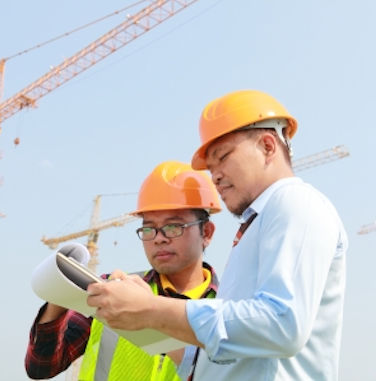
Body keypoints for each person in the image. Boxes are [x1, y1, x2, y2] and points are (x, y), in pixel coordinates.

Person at [86, 90, 348, 381]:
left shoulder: (296, 202)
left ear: (267, 146)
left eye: (222, 157)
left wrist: (153, 308)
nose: (216, 176)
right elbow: (233, 355)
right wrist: (147, 317)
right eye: (211, 168)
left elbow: (281, 324)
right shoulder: (257, 226)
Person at [25, 160, 222, 381]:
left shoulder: (226, 311)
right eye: (148, 229)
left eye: (173, 227)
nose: (159, 238)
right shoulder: (111, 292)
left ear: (207, 232)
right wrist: (61, 294)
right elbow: (41, 367)